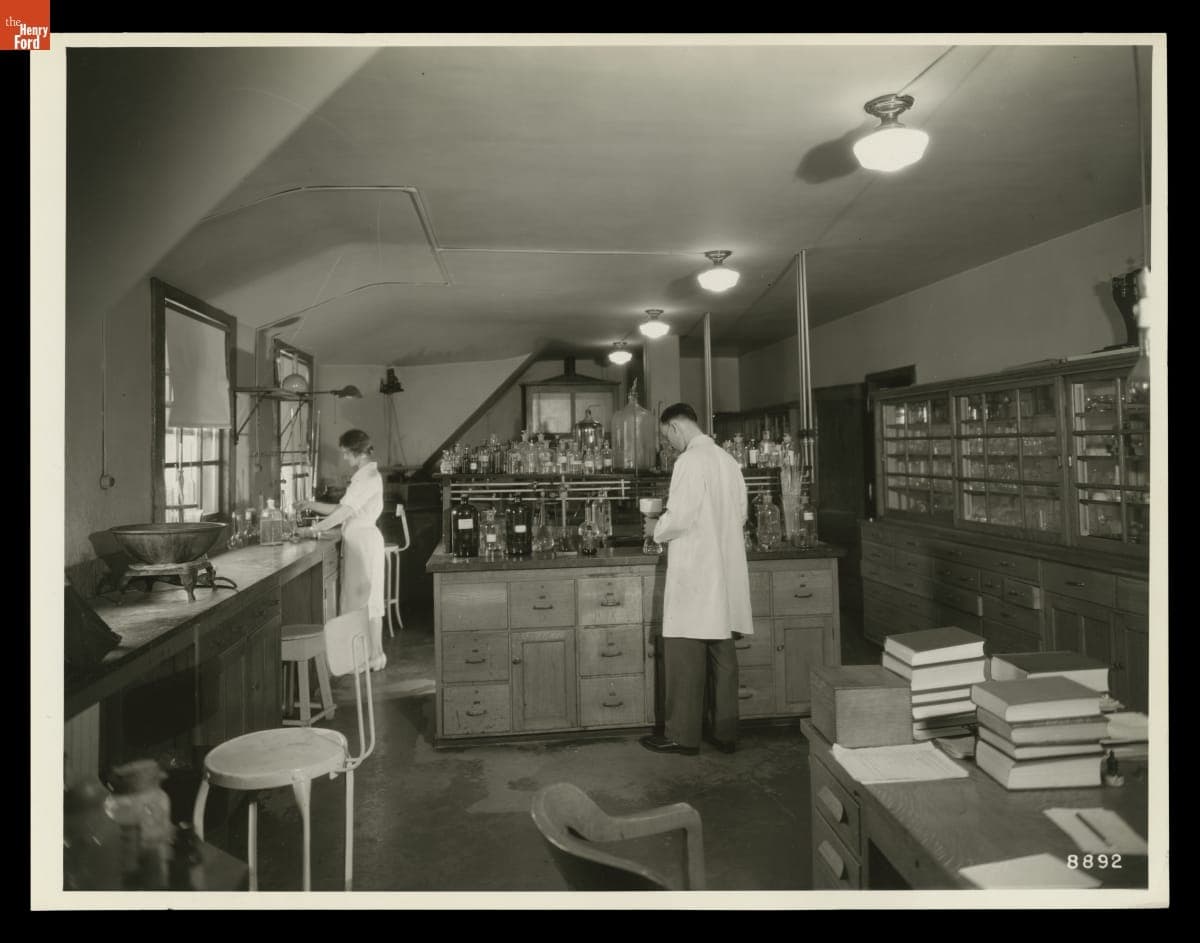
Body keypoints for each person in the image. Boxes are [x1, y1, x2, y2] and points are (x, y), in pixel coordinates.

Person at [640, 403, 753, 756]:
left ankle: (682, 736)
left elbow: (680, 517)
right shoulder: (727, 461)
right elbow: (742, 514)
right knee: (722, 654)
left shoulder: (689, 461)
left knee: (685, 656)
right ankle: (725, 733)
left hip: (696, 574)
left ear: (675, 427)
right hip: (724, 571)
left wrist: (655, 527)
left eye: (666, 437)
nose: (668, 445)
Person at [298, 429, 387, 672]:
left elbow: (344, 513)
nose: (345, 458)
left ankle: (372, 655)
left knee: (365, 600)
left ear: (358, 452)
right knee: (366, 599)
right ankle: (374, 655)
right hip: (361, 543)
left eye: (347, 454)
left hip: (364, 545)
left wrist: (313, 530)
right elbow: (342, 508)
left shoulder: (367, 478)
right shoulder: (363, 476)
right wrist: (310, 504)